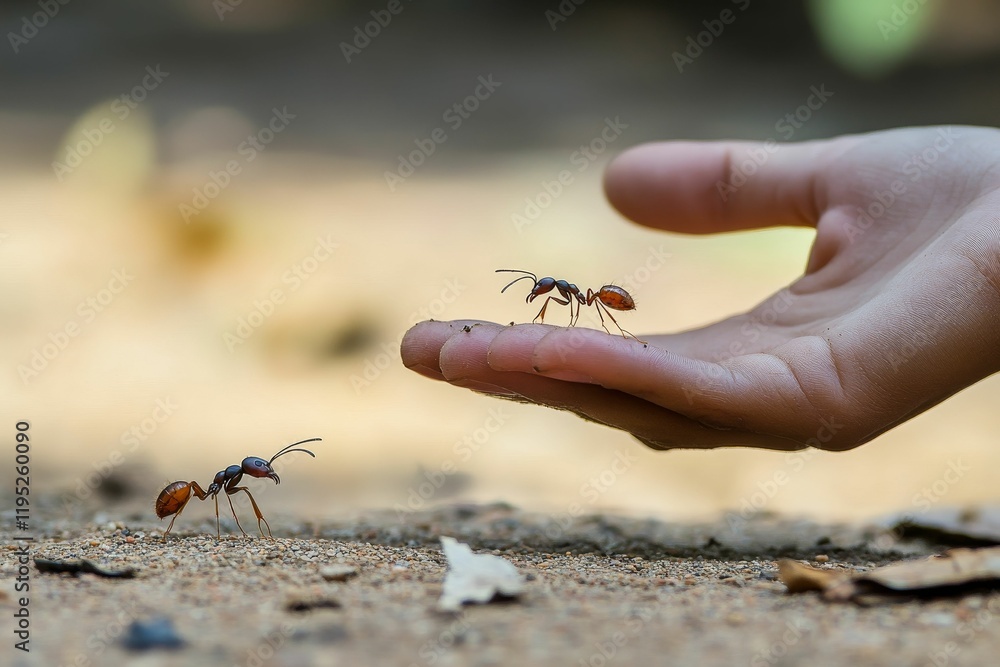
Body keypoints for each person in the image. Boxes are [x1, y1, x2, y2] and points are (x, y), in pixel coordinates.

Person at [401, 126, 1000, 452]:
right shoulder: (563, 290)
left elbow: (583, 301)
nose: (541, 295)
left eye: (542, 290)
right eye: (541, 291)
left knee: (593, 327)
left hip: (610, 302)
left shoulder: (584, 295)